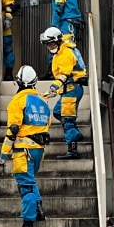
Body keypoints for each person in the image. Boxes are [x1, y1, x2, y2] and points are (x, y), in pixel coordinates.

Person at [0, 64, 51, 227]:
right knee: (31, 181)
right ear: (35, 82)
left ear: (18, 82)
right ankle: (38, 208)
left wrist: (3, 156)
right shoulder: (43, 101)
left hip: (23, 151)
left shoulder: (18, 101)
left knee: (26, 187)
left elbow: (13, 130)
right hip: (38, 151)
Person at [40, 26, 88, 160]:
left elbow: (64, 75)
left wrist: (54, 87)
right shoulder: (60, 52)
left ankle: (72, 149)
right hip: (68, 89)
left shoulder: (65, 54)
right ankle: (74, 133)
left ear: (58, 41)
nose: (49, 47)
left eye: (51, 44)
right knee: (57, 112)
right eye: (47, 44)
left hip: (72, 89)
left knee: (67, 119)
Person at [2, 0, 16, 81]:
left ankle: (8, 73)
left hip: (4, 26)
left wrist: (7, 18)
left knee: (7, 49)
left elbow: (9, 5)